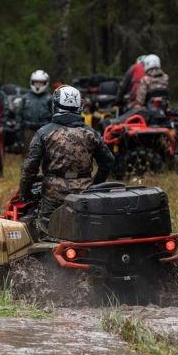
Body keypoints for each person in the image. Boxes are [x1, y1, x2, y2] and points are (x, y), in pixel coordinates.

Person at [19, 85, 115, 239]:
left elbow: (29, 168)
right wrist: (95, 186)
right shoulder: (91, 133)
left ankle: (48, 260)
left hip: (53, 192)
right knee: (88, 230)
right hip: (85, 191)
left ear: (55, 106)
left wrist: (24, 192)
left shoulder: (44, 133)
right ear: (79, 106)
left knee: (49, 232)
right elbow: (108, 161)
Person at [17, 69, 53, 150]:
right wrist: (18, 129)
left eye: (41, 82)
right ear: (32, 82)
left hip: (45, 130)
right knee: (28, 153)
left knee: (45, 152)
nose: (38, 84)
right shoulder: (25, 98)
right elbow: (19, 114)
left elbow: (54, 115)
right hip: (28, 130)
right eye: (36, 82)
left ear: (46, 83)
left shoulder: (50, 99)